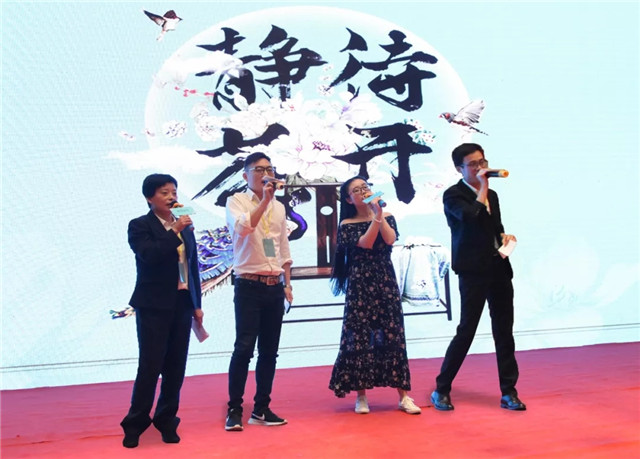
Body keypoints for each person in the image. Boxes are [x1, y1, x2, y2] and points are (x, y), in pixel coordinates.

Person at [431, 143, 526, 412]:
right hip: (472, 270)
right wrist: (482, 187)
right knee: (467, 330)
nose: (480, 167)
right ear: (458, 168)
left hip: (498, 267)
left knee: (504, 331)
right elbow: (470, 217)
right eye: (473, 164)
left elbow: (492, 226)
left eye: (482, 161)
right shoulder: (453, 195)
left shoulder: (492, 195)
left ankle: (509, 392)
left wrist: (503, 237)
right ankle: (441, 389)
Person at [121, 173, 203, 448]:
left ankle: (166, 420)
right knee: (150, 365)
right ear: (149, 197)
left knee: (176, 367)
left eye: (174, 192)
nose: (172, 197)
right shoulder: (139, 225)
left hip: (182, 302)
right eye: (164, 192)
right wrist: (174, 229)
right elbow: (149, 255)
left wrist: (197, 304)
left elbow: (192, 266)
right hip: (154, 305)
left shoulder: (186, 226)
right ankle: (135, 423)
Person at [328, 176, 421, 415]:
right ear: (349, 199)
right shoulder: (347, 224)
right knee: (360, 335)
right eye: (357, 190)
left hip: (385, 280)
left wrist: (378, 214)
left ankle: (403, 396)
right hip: (360, 284)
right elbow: (366, 243)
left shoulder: (386, 216)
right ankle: (361, 396)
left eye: (365, 187)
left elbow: (389, 239)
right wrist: (376, 218)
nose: (363, 191)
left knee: (393, 333)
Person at [224, 152, 293, 431]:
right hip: (248, 285)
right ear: (245, 175)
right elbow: (244, 228)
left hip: (274, 285)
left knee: (269, 352)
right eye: (259, 170)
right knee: (243, 349)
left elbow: (282, 246)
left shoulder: (279, 207)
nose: (266, 174)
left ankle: (261, 408)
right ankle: (234, 409)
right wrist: (264, 200)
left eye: (269, 169)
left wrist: (287, 283)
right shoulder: (236, 201)